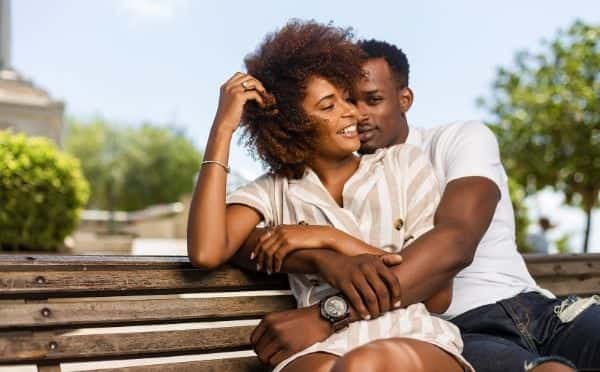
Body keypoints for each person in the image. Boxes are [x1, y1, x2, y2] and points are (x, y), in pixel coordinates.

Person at [236, 39, 600, 371]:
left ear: (404, 99)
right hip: (459, 331)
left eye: (373, 99)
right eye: (347, 100)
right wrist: (318, 252)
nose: (358, 114)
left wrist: (328, 314)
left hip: (533, 306)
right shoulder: (334, 180)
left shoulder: (456, 139)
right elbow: (238, 241)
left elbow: (455, 240)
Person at [187, 20, 473, 372]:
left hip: (411, 334)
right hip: (318, 346)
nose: (351, 112)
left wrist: (329, 239)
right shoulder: (275, 189)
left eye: (346, 98)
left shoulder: (403, 165)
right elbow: (206, 250)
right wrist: (223, 127)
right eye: (328, 106)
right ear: (293, 124)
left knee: (364, 365)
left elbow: (438, 295)